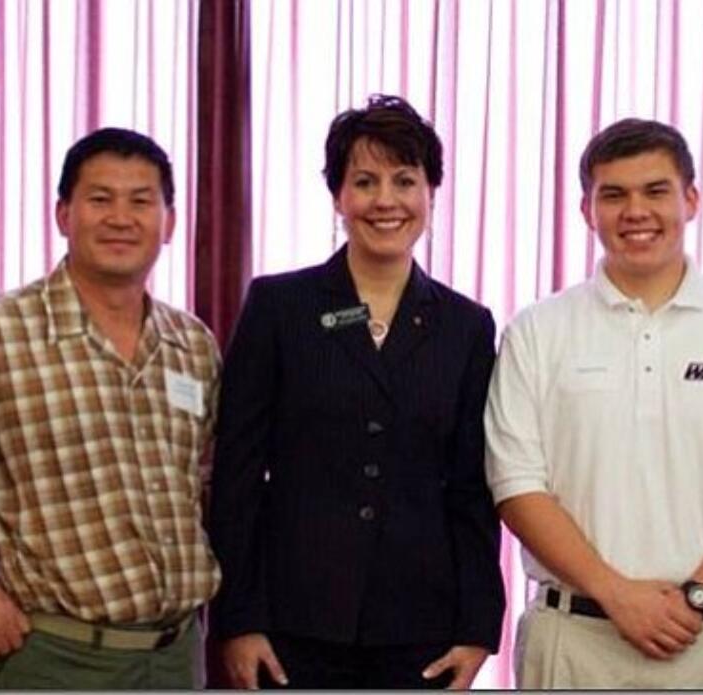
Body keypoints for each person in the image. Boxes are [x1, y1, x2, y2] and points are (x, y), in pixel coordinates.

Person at [0, 127, 221, 689]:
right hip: (59, 660)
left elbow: (202, 484)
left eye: (141, 201)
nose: (121, 218)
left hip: (177, 658)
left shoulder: (193, 346)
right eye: (100, 199)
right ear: (63, 214)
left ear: (169, 222)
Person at [484, 118, 703, 688]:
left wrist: (695, 597)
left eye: (656, 191)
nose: (634, 211)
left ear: (691, 200)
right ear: (587, 210)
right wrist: (617, 594)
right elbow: (517, 486)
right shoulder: (537, 331)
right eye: (613, 195)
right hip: (573, 642)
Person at [207, 94, 505, 690]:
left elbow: (473, 487)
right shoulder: (279, 307)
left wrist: (477, 628)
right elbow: (236, 475)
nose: (386, 200)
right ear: (339, 197)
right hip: (291, 625)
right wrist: (238, 619)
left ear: (430, 193)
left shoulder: (465, 325)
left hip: (421, 628)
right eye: (365, 181)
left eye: (405, 180)